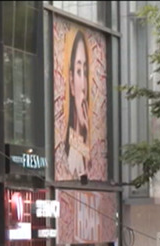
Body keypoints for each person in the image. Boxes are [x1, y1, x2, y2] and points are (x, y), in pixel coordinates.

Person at [62, 30, 92, 178]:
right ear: (71, 82)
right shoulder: (70, 154)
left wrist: (86, 134)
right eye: (79, 71)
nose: (84, 87)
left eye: (85, 72)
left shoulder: (84, 151)